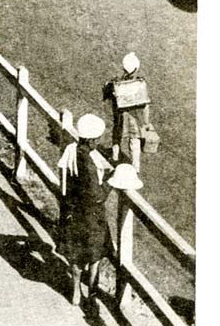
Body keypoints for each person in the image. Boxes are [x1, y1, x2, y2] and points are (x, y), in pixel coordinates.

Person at [56, 113, 112, 309]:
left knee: (75, 253)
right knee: (94, 255)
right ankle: (92, 295)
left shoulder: (72, 151)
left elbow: (64, 181)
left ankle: (76, 291)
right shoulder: (87, 161)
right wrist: (109, 181)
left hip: (72, 211)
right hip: (90, 215)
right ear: (94, 140)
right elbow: (97, 195)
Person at [104, 53, 152, 173]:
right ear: (136, 68)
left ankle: (115, 157)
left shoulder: (117, 83)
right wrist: (146, 122)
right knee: (134, 140)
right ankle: (136, 167)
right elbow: (145, 104)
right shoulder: (141, 83)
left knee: (117, 136)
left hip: (121, 116)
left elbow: (108, 96)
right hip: (135, 118)